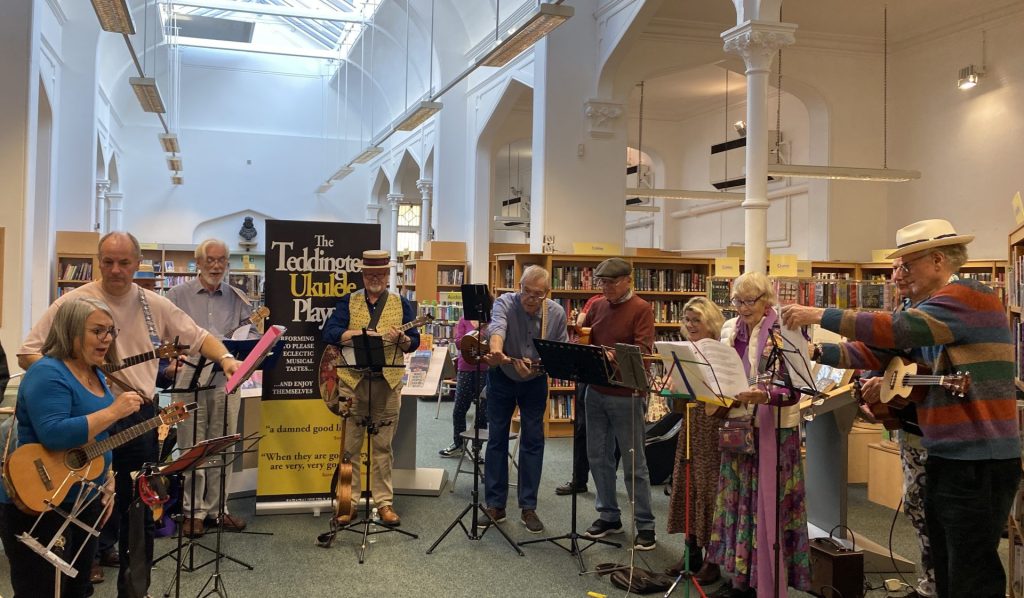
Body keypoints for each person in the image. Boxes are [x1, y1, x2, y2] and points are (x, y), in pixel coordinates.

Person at [782, 219, 1019, 598]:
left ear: (939, 260)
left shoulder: (967, 297)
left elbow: (897, 330)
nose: (896, 276)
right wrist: (813, 351)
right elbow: (879, 350)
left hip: (979, 459)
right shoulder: (928, 309)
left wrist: (818, 316)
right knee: (945, 562)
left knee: (972, 569)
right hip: (948, 453)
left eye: (906, 265)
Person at [17, 231, 241, 598]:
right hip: (86, 415)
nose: (116, 270)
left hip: (139, 416)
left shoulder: (154, 304)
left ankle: (135, 588)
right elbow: (28, 353)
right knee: (82, 500)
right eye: (108, 261)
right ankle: (81, 570)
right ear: (97, 261)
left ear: (139, 263)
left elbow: (199, 336)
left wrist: (228, 359)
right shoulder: (74, 303)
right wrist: (73, 378)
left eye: (124, 262)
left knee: (140, 506)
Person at [0, 297, 144, 597]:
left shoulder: (94, 372)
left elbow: (98, 435)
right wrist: (115, 411)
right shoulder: (48, 373)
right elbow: (54, 434)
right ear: (71, 331)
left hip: (82, 498)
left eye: (110, 331)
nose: (106, 339)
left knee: (78, 588)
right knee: (41, 588)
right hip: (41, 501)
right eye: (97, 331)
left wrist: (108, 476)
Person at [706, 272, 811, 598]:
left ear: (767, 300)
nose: (741, 308)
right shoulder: (729, 329)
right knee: (737, 504)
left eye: (748, 301)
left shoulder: (786, 330)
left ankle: (764, 580)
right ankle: (740, 577)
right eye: (737, 301)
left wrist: (765, 396)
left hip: (774, 433)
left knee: (767, 507)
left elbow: (795, 387)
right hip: (738, 427)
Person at [166, 239, 259, 538]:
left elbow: (252, 335)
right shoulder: (175, 295)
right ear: (198, 263)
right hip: (187, 381)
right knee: (191, 445)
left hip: (226, 382)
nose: (216, 266)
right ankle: (192, 511)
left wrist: (243, 350)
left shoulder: (238, 298)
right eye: (211, 260)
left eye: (222, 260)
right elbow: (162, 336)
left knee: (222, 444)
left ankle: (219, 510)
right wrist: (172, 357)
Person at [322, 249, 421, 526]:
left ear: (388, 275)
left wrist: (402, 339)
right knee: (350, 447)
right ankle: (349, 503)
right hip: (353, 382)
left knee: (382, 447)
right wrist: (355, 334)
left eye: (380, 274)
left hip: (387, 383)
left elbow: (413, 341)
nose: (375, 278)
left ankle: (384, 503)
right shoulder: (348, 302)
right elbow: (328, 333)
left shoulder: (402, 303)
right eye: (369, 274)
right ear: (363, 275)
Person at [481, 265, 568, 533]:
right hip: (502, 377)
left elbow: (558, 354)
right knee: (496, 438)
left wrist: (536, 366)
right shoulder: (505, 302)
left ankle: (528, 507)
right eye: (525, 291)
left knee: (533, 441)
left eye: (537, 294)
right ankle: (496, 505)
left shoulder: (556, 313)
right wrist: (497, 352)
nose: (529, 298)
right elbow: (498, 327)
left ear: (547, 293)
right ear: (519, 286)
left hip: (535, 382)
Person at [580, 258, 658, 551]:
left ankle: (645, 524)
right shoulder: (598, 306)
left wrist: (612, 353)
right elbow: (586, 337)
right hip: (596, 390)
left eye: (611, 282)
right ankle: (609, 516)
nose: (606, 288)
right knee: (598, 457)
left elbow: (644, 350)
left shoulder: (642, 308)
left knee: (633, 462)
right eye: (601, 283)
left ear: (628, 280)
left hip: (627, 393)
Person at [665, 296, 726, 583]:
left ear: (710, 323)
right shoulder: (683, 350)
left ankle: (713, 560)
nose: (690, 325)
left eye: (696, 320)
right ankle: (691, 553)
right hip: (690, 425)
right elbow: (677, 403)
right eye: (687, 320)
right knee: (687, 484)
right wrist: (672, 388)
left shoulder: (721, 352)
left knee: (709, 490)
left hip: (713, 426)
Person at [554, 293, 603, 496]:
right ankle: (579, 479)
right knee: (582, 429)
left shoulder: (595, 301)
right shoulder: (596, 302)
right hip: (587, 372)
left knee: (610, 434)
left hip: (607, 378)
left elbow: (580, 324)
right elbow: (582, 326)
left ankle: (590, 480)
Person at [438, 316, 488, 458]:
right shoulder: (463, 320)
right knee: (459, 408)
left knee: (482, 411)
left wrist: (473, 343)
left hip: (484, 369)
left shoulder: (492, 321)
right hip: (465, 368)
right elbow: (460, 343)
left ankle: (477, 449)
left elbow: (491, 344)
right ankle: (458, 444)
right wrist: (477, 338)